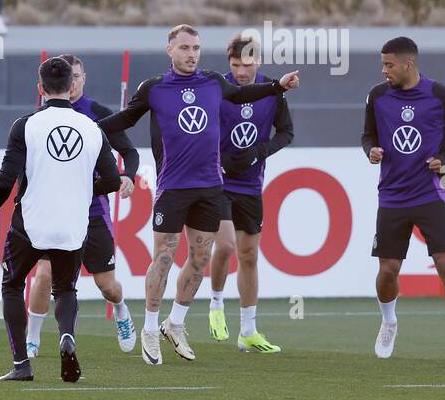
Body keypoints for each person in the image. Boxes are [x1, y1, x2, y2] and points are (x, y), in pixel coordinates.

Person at [96, 25, 298, 365]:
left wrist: (278, 86)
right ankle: (149, 328)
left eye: (196, 48)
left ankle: (175, 323)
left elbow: (242, 96)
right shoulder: (154, 88)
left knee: (202, 257)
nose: (191, 54)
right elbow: (125, 119)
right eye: (185, 48)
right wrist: (88, 127)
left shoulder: (213, 82)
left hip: (210, 187)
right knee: (164, 257)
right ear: (170, 50)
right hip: (173, 187)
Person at [0, 56, 120, 383]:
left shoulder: (25, 126)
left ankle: (22, 364)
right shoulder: (92, 128)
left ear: (40, 88)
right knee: (65, 289)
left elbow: (7, 176)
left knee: (12, 285)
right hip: (73, 225)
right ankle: (67, 337)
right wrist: (84, 188)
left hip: (31, 224)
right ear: (71, 86)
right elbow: (113, 181)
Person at [362, 36, 445, 362]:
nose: (384, 70)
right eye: (382, 64)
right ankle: (389, 321)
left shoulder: (440, 95)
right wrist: (371, 150)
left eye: (389, 65)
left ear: (408, 64)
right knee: (388, 269)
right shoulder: (377, 96)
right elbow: (367, 135)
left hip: (431, 192)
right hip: (392, 195)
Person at [24, 54, 139, 358]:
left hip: (92, 211)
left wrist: (128, 175)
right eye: (69, 77)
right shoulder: (42, 117)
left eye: (77, 77)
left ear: (83, 79)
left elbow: (129, 151)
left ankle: (121, 310)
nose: (72, 83)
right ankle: (31, 339)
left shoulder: (97, 115)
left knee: (107, 285)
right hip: (57, 211)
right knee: (44, 274)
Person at [206, 33, 293, 353]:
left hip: (251, 184)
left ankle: (248, 331)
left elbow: (286, 132)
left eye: (247, 64)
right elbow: (200, 129)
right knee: (225, 245)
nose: (241, 72)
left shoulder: (273, 90)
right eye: (235, 65)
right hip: (218, 182)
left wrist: (260, 151)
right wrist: (218, 158)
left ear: (259, 61)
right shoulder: (217, 88)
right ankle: (216, 305)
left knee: (249, 255)